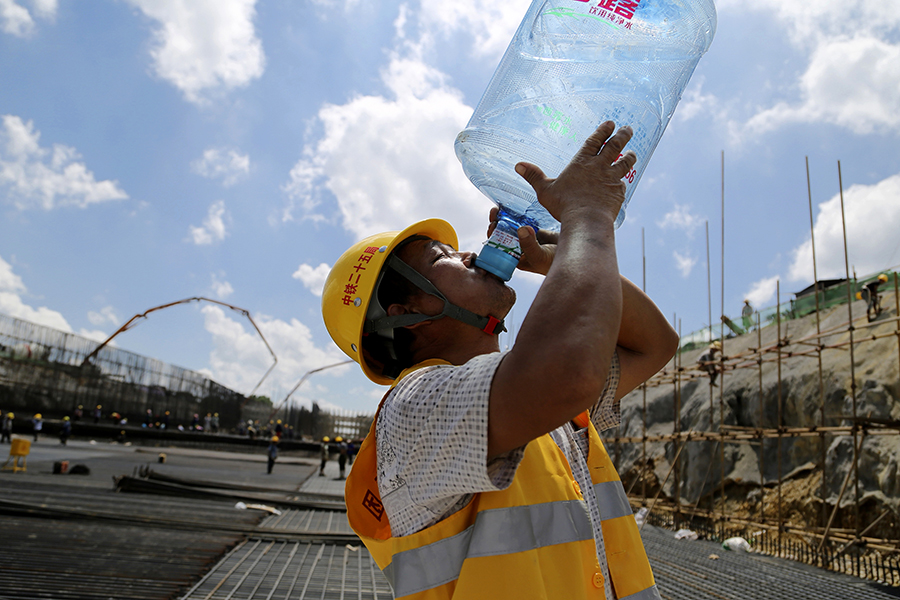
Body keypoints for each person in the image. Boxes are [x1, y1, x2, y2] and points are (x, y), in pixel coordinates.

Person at [324, 122, 678, 599]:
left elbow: (654, 344)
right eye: (441, 256)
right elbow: (567, 374)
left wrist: (562, 256)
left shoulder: (523, 396)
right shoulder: (414, 409)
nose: (469, 253)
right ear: (407, 314)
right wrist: (588, 218)